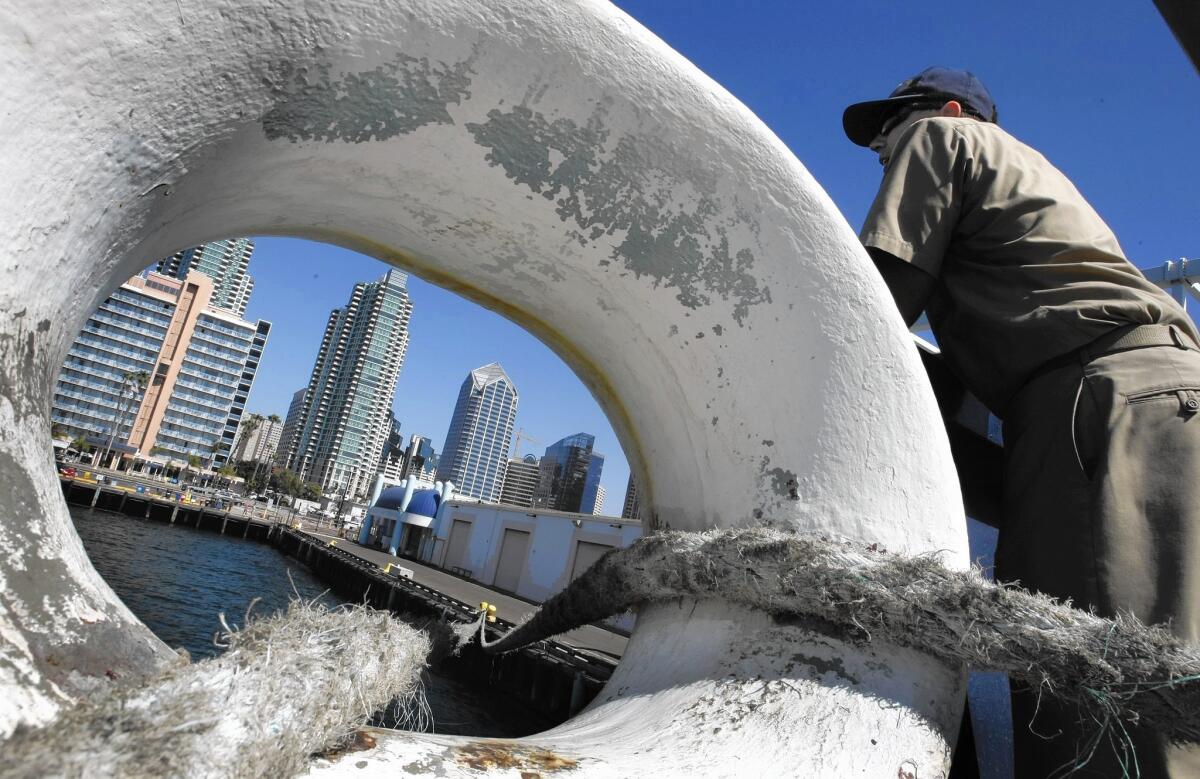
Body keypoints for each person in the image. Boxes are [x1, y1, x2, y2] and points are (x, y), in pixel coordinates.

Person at [843, 67, 1200, 777]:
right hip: (1165, 399)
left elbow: (877, 304)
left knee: (1096, 702)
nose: (884, 148)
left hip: (1093, 401)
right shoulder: (1042, 181)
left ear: (947, 110)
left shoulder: (941, 136)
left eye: (891, 127)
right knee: (1170, 686)